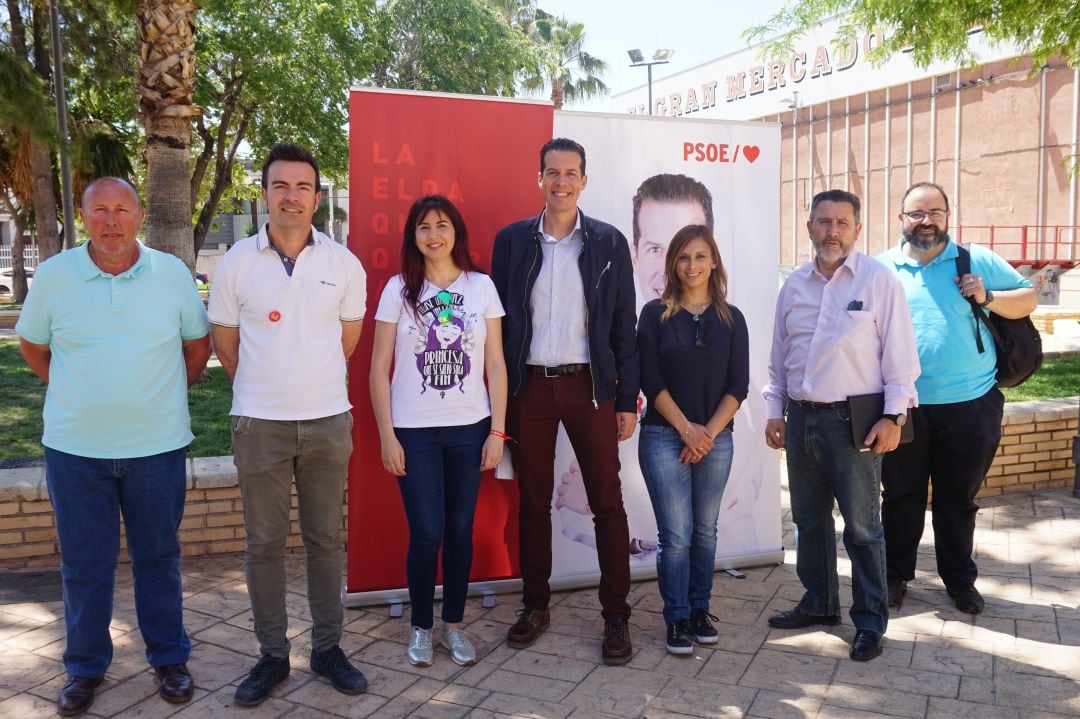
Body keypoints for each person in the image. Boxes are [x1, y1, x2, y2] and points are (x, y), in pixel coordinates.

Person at [16, 177, 210, 716]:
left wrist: (159, 395)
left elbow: (197, 347)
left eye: (122, 209)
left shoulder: (172, 274)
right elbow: (34, 348)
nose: (111, 220)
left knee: (159, 560)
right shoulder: (54, 277)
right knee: (84, 567)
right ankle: (84, 668)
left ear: (141, 214)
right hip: (76, 452)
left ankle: (169, 659)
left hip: (158, 448)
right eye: (99, 210)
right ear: (82, 216)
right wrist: (81, 395)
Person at [208, 143, 368, 706]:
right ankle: (272, 656)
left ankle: (328, 649)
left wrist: (309, 380)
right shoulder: (236, 263)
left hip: (328, 422)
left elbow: (346, 341)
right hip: (260, 425)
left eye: (303, 187)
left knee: (326, 540)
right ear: (265, 194)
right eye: (281, 186)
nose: (292, 197)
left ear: (317, 197)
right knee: (264, 544)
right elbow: (227, 345)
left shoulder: (343, 264)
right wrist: (266, 384)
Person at [491, 137, 639, 665]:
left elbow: (625, 324)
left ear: (584, 179)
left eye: (571, 172)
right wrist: (500, 393)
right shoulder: (511, 242)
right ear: (539, 178)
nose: (561, 182)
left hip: (590, 387)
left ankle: (616, 616)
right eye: (551, 172)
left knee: (607, 501)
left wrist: (626, 396)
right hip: (529, 386)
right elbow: (500, 324)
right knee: (532, 502)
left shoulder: (608, 242)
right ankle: (535, 606)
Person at [762, 189, 920, 662]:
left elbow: (901, 359)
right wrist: (775, 410)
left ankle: (870, 621)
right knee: (809, 522)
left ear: (857, 229)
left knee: (862, 529)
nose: (832, 231)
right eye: (823, 221)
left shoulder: (878, 281)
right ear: (809, 226)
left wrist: (894, 417)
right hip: (801, 419)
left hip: (855, 424)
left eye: (842, 222)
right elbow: (778, 359)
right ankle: (820, 602)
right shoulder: (792, 285)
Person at [877, 182, 1036, 614]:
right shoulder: (880, 268)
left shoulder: (974, 259)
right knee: (900, 496)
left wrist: (988, 296)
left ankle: (960, 581)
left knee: (957, 499)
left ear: (948, 216)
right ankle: (894, 576)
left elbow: (1028, 297)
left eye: (935, 212)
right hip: (901, 406)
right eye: (916, 213)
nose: (926, 221)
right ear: (901, 219)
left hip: (971, 403)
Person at [370, 195, 508, 668]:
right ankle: (422, 628)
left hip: (471, 428)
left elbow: (495, 362)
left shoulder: (481, 286)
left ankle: (453, 625)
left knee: (460, 529)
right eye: (424, 226)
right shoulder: (397, 290)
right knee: (427, 533)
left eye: (442, 224)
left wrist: (499, 431)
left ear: (456, 232)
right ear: (413, 236)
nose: (434, 234)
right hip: (415, 432)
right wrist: (388, 435)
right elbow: (378, 368)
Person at [636, 224, 749, 655]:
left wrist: (707, 435)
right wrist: (687, 430)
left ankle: (701, 609)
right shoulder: (654, 314)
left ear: (714, 261)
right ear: (672, 264)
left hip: (717, 439)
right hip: (664, 436)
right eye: (683, 257)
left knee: (705, 531)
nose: (692, 266)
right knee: (676, 534)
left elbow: (738, 386)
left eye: (700, 256)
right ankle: (677, 616)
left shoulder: (731, 318)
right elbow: (650, 378)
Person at [631, 173, 713, 302]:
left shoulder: (731, 319)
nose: (669, 273)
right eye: (655, 249)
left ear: (712, 257)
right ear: (635, 259)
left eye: (684, 251)